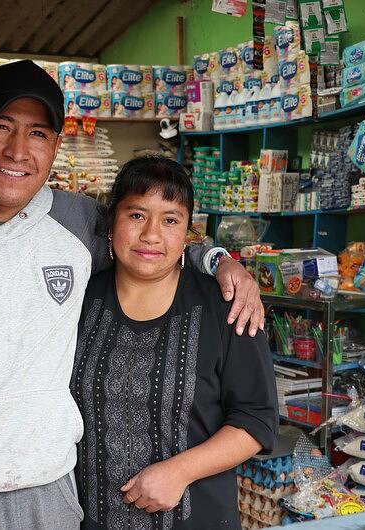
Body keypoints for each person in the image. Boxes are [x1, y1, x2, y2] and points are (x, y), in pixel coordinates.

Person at [0, 60, 264, 530]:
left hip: (51, 496)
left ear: (56, 145)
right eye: (2, 127)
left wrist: (222, 261)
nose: (18, 151)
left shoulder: (76, 222)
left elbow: (150, 238)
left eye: (38, 133)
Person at [71, 155, 278, 530]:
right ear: (112, 222)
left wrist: (179, 472)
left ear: (187, 232)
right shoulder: (79, 301)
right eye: (136, 215)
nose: (151, 234)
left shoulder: (227, 305)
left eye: (170, 220)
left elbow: (256, 418)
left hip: (197, 518)